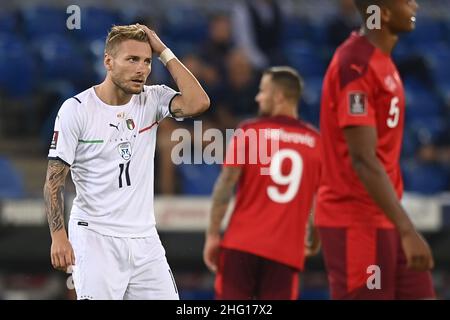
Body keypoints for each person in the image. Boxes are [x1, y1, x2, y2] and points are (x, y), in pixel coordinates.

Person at [43, 24, 210, 300]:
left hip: (145, 238)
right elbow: (54, 179)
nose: (142, 69)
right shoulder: (77, 110)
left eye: (146, 61)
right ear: (108, 62)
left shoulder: (152, 99)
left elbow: (198, 102)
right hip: (95, 236)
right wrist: (58, 235)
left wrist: (164, 51)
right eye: (132, 59)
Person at [316, 0, 435, 299]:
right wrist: (407, 229)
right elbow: (363, 159)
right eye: (407, 2)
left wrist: (400, 226)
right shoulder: (354, 64)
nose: (415, 7)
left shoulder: (382, 60)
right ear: (381, 11)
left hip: (385, 217)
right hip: (356, 223)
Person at [203, 66, 321, 300]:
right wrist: (313, 239)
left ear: (278, 96)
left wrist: (213, 235)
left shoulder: (250, 131)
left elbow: (225, 185)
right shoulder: (315, 142)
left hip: (241, 246)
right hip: (285, 252)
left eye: (262, 91)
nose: (258, 97)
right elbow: (318, 201)